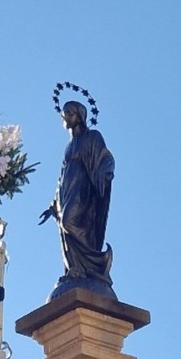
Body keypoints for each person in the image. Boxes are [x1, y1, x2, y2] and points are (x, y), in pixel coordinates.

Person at [39, 100, 115, 292]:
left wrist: (104, 174)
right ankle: (77, 268)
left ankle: (96, 262)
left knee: (69, 222)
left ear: (80, 116)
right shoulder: (69, 147)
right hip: (67, 190)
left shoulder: (92, 137)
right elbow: (61, 176)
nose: (66, 117)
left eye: (70, 113)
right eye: (64, 113)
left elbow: (106, 158)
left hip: (83, 189)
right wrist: (53, 203)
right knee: (65, 229)